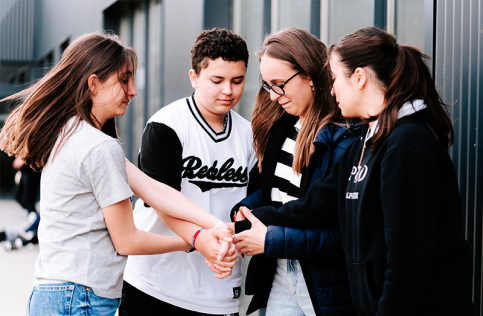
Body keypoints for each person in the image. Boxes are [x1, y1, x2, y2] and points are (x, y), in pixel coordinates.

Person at [237, 26, 475, 315]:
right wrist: (241, 224)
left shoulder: (407, 146)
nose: (332, 88)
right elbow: (314, 205)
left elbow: (408, 263)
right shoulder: (367, 141)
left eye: (335, 79)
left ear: (359, 78)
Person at [0, 32, 234, 316]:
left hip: (53, 293)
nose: (133, 90)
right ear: (93, 83)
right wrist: (195, 242)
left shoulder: (70, 133)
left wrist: (214, 226)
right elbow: (127, 240)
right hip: (80, 298)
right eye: (124, 80)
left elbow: (152, 189)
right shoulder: (98, 146)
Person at [119, 28, 258, 316]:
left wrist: (236, 236)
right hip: (154, 284)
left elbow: (253, 204)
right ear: (194, 77)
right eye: (217, 80)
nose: (228, 90)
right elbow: (161, 201)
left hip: (219, 289)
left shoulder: (249, 135)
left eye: (237, 80)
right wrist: (199, 238)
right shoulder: (167, 125)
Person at [229, 27, 357, 316]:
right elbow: (272, 195)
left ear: (310, 75)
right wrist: (244, 210)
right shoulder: (282, 128)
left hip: (326, 284)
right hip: (279, 274)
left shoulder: (342, 139)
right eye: (266, 85)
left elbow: (339, 232)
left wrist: (268, 236)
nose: (273, 96)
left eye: (279, 83)